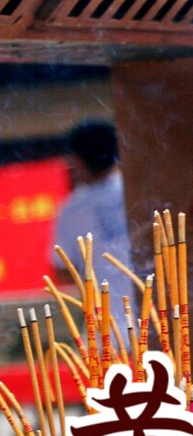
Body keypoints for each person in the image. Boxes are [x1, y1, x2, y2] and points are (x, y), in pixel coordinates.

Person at [54, 119, 134, 310]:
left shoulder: (72, 210)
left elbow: (62, 271)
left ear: (77, 160)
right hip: (157, 320)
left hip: (106, 324)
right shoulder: (137, 190)